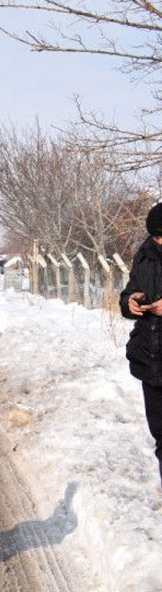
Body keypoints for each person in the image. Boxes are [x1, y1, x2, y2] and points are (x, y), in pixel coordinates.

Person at [121, 203, 162, 485]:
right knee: (160, 433)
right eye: (157, 235)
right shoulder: (144, 255)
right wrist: (129, 302)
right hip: (150, 356)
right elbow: (128, 289)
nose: (161, 241)